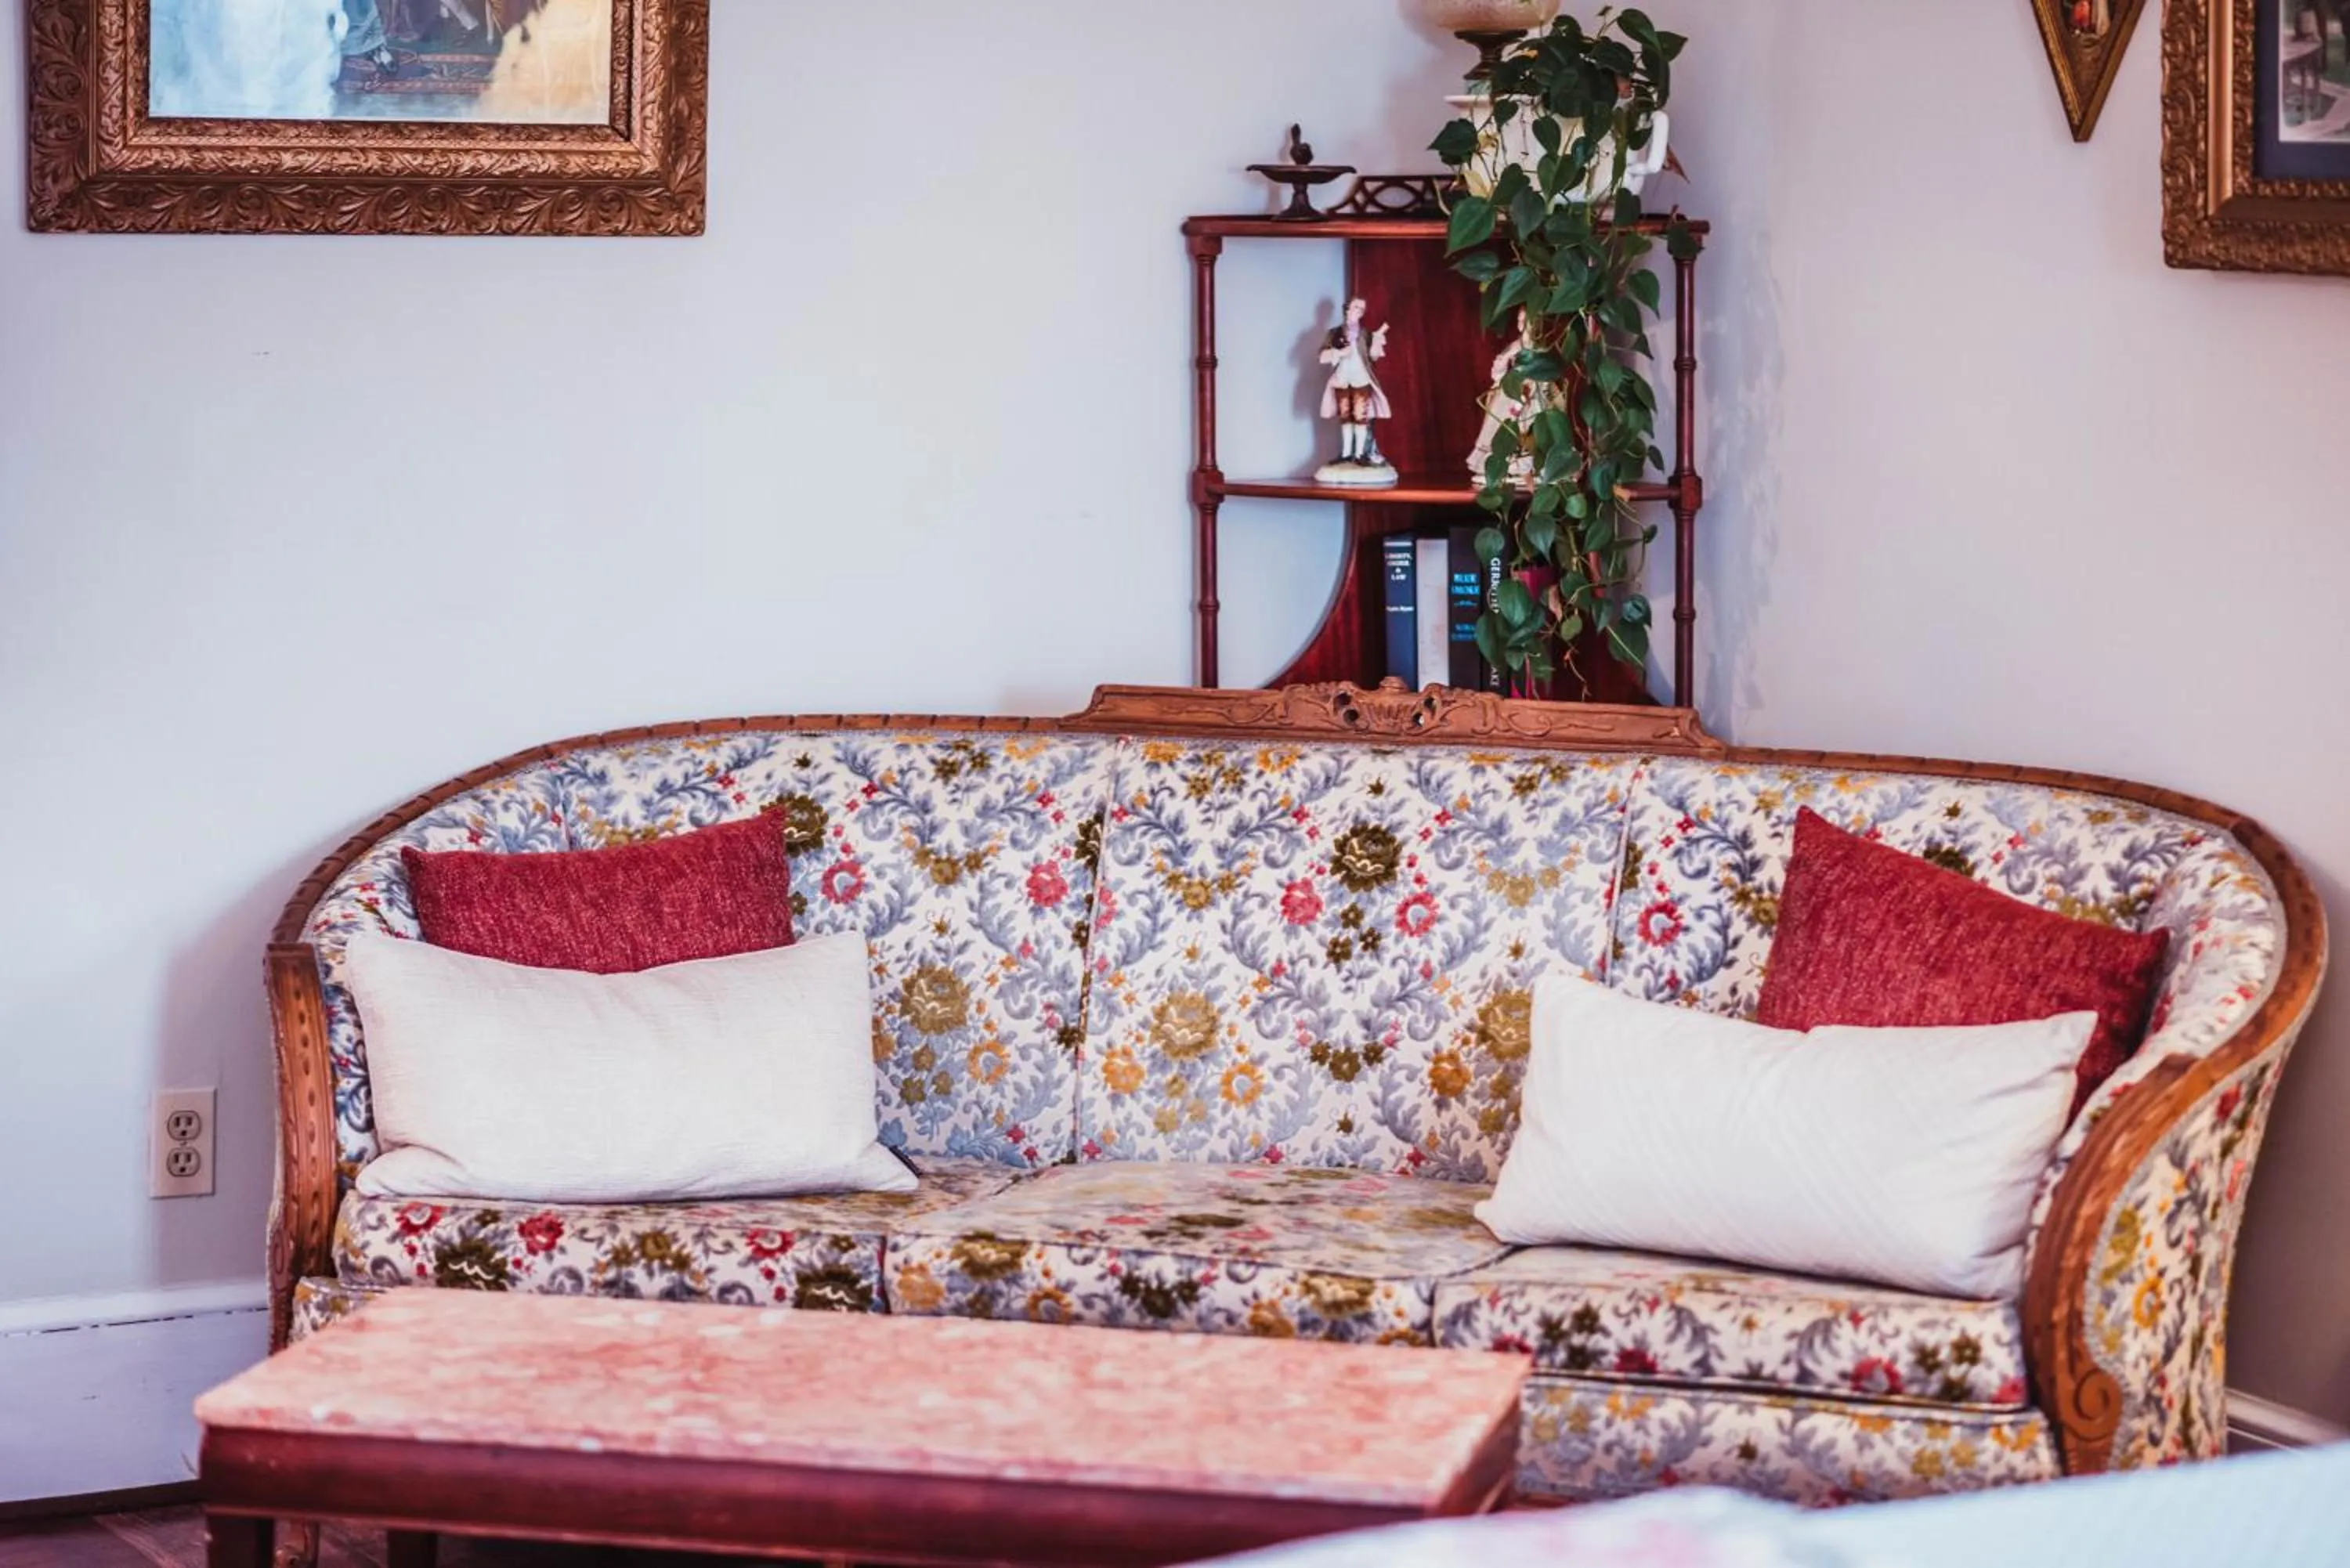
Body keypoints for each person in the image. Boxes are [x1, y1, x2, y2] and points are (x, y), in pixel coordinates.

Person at [1317, 298, 1396, 479]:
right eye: (1355, 308)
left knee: (1361, 416)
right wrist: (1338, 353)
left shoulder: (1365, 334)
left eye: (1362, 309)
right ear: (1346, 310)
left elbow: (1374, 357)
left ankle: (1359, 454)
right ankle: (1346, 453)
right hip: (1342, 379)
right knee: (1345, 416)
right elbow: (1322, 356)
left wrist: (1377, 341)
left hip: (1361, 379)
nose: (1358, 312)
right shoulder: (1335, 333)